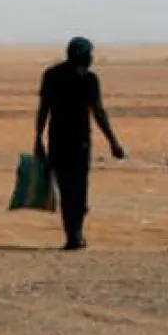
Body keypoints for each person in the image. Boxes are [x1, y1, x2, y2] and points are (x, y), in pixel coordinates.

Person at [34, 37, 126, 251]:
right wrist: (113, 141)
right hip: (79, 141)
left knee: (66, 190)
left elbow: (43, 109)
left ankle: (72, 234)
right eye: (90, 54)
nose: (92, 58)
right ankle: (76, 233)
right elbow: (98, 112)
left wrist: (38, 138)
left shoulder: (52, 75)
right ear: (83, 55)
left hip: (57, 140)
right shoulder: (89, 79)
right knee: (79, 188)